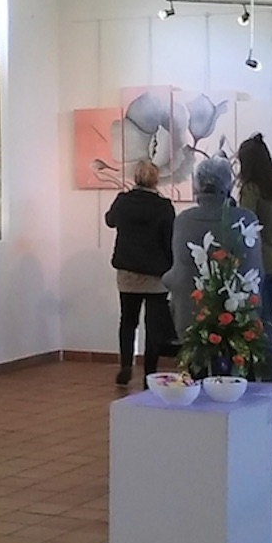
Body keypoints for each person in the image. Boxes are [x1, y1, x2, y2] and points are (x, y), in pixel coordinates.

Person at [163, 156, 264, 351]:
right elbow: (256, 270)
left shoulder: (184, 220)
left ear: (197, 186)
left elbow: (177, 273)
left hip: (191, 317)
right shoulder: (246, 219)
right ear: (229, 186)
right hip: (239, 317)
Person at [104, 160, 176, 389]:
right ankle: (149, 374)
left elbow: (109, 220)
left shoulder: (123, 201)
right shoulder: (163, 206)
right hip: (156, 275)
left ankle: (125, 365)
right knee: (153, 327)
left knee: (127, 320)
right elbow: (169, 240)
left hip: (127, 272)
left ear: (135, 178)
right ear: (156, 180)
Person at [237, 133, 272, 382]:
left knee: (256, 322)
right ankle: (270, 375)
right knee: (269, 320)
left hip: (256, 264)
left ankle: (258, 376)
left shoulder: (251, 189)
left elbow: (244, 227)